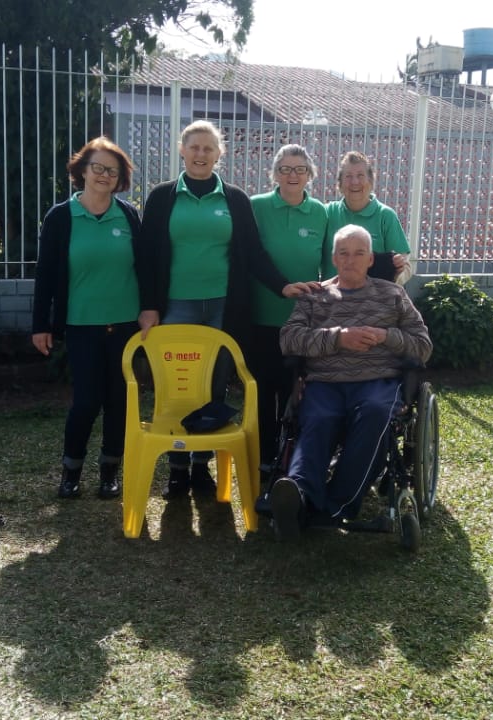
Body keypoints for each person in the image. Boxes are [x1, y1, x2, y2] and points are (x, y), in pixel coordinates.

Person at [136, 120, 316, 500]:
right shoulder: (161, 196)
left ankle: (201, 469)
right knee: (176, 386)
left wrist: (282, 285)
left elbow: (253, 254)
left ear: (220, 154)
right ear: (182, 151)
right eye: (194, 147)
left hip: (223, 308)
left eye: (209, 148)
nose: (201, 155)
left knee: (214, 385)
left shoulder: (235, 199)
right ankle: (177, 471)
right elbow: (147, 257)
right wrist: (150, 307)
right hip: (176, 306)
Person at [271, 224, 433, 540]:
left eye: (359, 253)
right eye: (343, 253)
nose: (350, 260)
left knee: (374, 413)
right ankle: (299, 496)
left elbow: (423, 345)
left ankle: (337, 504)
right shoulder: (315, 296)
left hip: (378, 382)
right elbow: (288, 339)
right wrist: (338, 339)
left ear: (371, 259)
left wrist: (388, 336)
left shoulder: (392, 294)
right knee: (317, 418)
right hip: (326, 381)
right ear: (333, 257)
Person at [32, 136, 142, 500]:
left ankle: (110, 471)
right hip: (81, 324)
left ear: (120, 178)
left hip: (125, 324)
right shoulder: (61, 216)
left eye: (112, 170)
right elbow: (45, 274)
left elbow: (144, 267)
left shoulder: (128, 215)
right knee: (85, 401)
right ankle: (71, 471)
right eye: (97, 167)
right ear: (82, 170)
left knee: (119, 400)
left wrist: (148, 309)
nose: (104, 175)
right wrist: (41, 325)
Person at [247, 144, 329, 469]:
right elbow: (249, 257)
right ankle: (264, 458)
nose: (292, 175)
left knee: (294, 391)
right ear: (274, 174)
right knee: (263, 391)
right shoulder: (255, 207)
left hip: (302, 323)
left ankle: (289, 458)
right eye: (285, 168)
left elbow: (331, 265)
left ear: (310, 174)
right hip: (262, 318)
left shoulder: (322, 213)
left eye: (299, 169)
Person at [325, 151, 413, 283]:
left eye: (360, 175)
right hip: (333, 299)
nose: (354, 182)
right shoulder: (327, 213)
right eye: (348, 176)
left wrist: (397, 272)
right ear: (340, 184)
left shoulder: (386, 216)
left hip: (375, 300)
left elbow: (405, 266)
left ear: (371, 181)